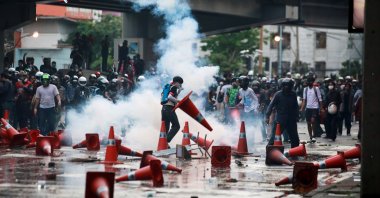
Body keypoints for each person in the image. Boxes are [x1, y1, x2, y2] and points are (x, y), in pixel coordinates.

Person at [266, 78, 300, 148]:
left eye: (288, 86)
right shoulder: (278, 94)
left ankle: (295, 152)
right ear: (282, 86)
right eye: (285, 86)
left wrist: (297, 116)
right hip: (280, 120)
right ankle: (269, 150)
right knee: (274, 137)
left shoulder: (293, 94)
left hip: (291, 120)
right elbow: (271, 105)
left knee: (295, 138)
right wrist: (267, 116)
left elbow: (296, 106)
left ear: (291, 86)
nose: (286, 87)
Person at [161, 76, 183, 143]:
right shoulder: (174, 87)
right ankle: (165, 142)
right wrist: (177, 101)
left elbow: (172, 95)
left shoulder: (169, 87)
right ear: (176, 83)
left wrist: (179, 91)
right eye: (180, 83)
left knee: (165, 129)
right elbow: (170, 97)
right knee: (176, 126)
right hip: (169, 108)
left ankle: (163, 144)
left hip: (164, 109)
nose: (180, 85)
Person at [300, 76, 322, 143]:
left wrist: (321, 108)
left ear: (313, 82)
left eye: (311, 81)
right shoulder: (305, 89)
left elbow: (320, 99)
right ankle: (310, 137)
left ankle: (314, 135)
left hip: (314, 108)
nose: (310, 82)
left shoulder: (316, 89)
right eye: (308, 81)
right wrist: (302, 108)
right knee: (308, 123)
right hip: (308, 108)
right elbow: (304, 99)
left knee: (313, 121)